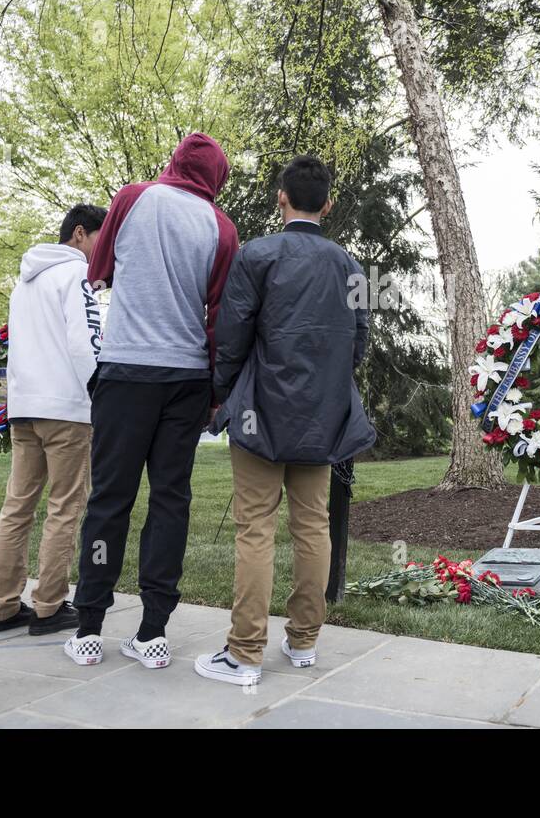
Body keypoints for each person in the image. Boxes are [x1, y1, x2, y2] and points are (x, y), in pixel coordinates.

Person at [195, 154, 375, 687]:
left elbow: (231, 336)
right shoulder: (352, 267)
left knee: (256, 529)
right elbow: (359, 341)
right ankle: (303, 642)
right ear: (328, 203)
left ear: (282, 197)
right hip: (322, 416)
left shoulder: (257, 255)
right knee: (312, 525)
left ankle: (245, 652)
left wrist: (219, 394)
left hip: (261, 411)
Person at [65, 133, 238, 669]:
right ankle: (153, 631)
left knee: (109, 499)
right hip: (186, 377)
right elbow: (219, 317)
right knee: (170, 500)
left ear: (175, 161)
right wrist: (216, 392)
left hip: (126, 371)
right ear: (216, 178)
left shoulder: (131, 197)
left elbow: (100, 271)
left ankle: (89, 628)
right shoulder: (222, 227)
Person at [0, 204, 107, 636]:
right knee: (64, 507)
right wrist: (100, 393)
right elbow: (85, 340)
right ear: (80, 233)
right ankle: (49, 606)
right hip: (66, 410)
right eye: (102, 237)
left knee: (17, 507)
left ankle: (1, 605)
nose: (104, 249)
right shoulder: (77, 275)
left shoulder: (24, 283)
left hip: (25, 407)